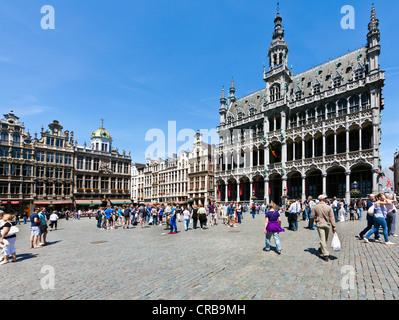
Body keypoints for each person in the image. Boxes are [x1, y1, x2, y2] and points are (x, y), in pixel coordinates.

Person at [309, 195, 337, 262]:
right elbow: (332, 218)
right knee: (324, 239)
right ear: (323, 199)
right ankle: (325, 254)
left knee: (323, 239)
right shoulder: (329, 207)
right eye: (326, 198)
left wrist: (311, 224)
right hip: (327, 225)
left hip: (320, 224)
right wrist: (334, 227)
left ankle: (322, 249)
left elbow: (312, 217)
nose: (327, 199)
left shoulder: (315, 207)